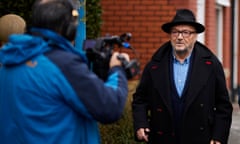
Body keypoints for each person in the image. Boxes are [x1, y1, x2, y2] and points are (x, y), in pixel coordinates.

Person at [0, 0, 130, 144]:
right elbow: (110, 106)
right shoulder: (63, 64)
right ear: (69, 29)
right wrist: (116, 68)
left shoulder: (10, 61)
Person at [132, 9, 232, 144]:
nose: (179, 37)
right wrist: (140, 123)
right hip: (162, 138)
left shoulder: (211, 65)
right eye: (175, 32)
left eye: (185, 32)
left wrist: (218, 137)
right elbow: (140, 99)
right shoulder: (155, 65)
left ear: (195, 36)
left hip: (200, 138)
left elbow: (223, 106)